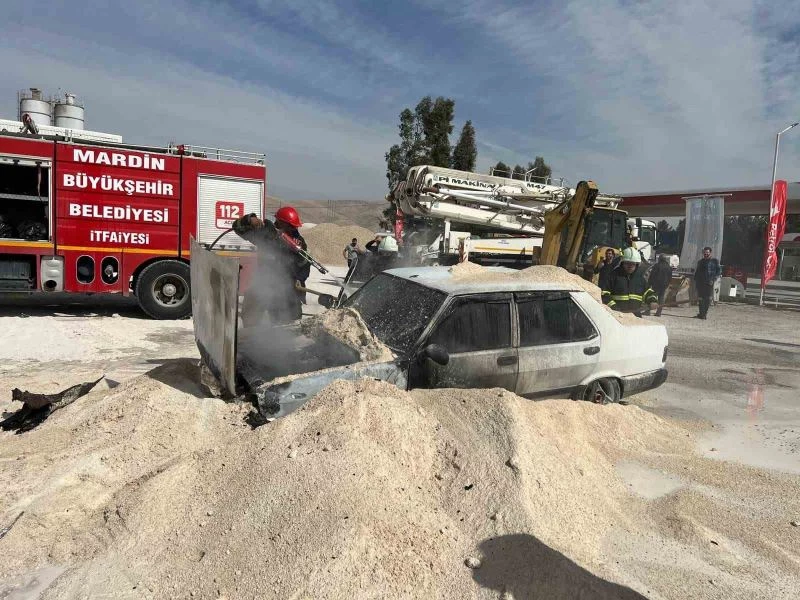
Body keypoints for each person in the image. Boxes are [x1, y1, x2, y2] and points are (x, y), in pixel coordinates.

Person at [232, 206, 309, 326]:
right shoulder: (266, 233)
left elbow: (304, 264)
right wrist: (250, 219)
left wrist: (300, 278)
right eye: (290, 225)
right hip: (264, 284)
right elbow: (237, 227)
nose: (293, 228)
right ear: (280, 222)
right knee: (251, 317)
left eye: (294, 226)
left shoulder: (298, 242)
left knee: (289, 326)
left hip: (289, 290)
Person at [601, 247, 657, 317]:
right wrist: (614, 307)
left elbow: (648, 292)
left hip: (635, 317)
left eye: (633, 264)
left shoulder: (639, 278)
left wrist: (652, 300)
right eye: (627, 263)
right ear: (623, 263)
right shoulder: (614, 276)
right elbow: (604, 294)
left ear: (636, 265)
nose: (630, 266)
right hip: (617, 316)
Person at [694, 246, 721, 320]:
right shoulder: (700, 261)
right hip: (700, 282)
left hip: (709, 282)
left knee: (707, 299)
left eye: (707, 253)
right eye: (705, 253)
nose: (706, 254)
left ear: (710, 253)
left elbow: (718, 272)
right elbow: (697, 272)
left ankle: (704, 314)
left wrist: (714, 279)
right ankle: (701, 313)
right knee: (700, 299)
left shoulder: (714, 261)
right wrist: (695, 280)